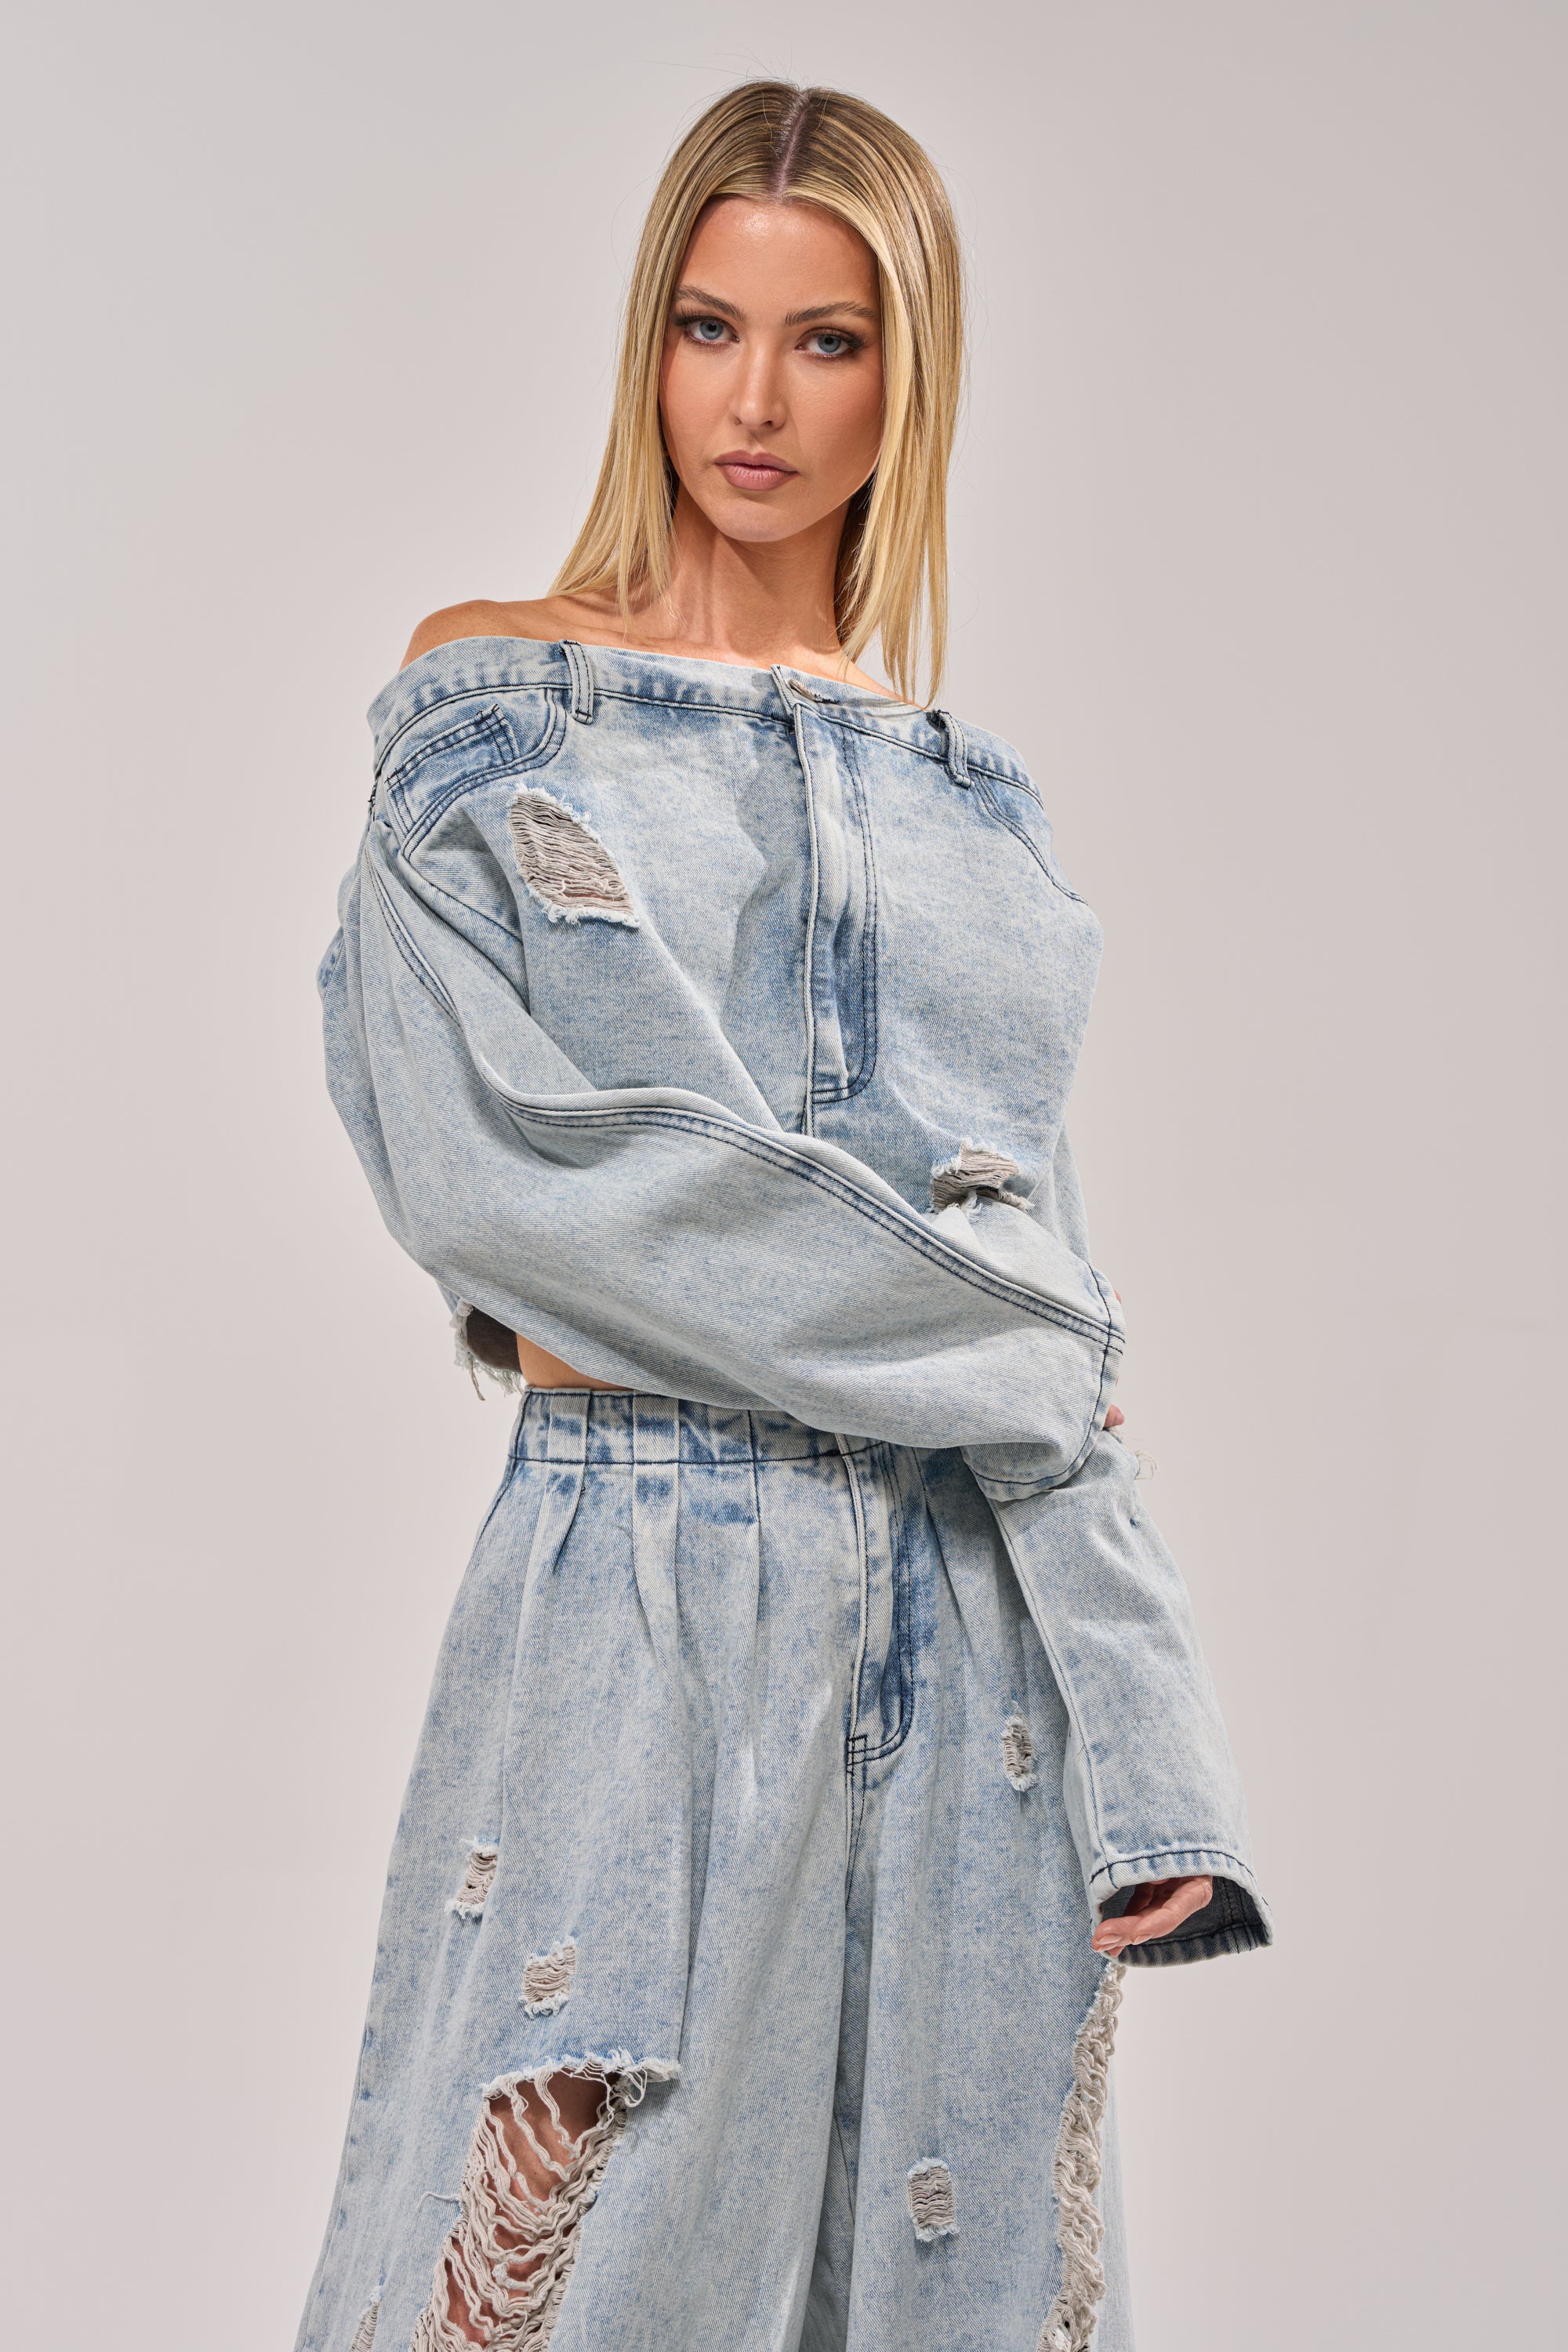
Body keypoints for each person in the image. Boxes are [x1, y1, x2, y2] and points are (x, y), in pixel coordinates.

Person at [298, 79, 1269, 2352]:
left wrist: (1163, 1769)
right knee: (575, 2277)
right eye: (710, 326)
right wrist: (1012, 1345)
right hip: (646, 1605)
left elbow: (1061, 1320)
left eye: (825, 340)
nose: (755, 400)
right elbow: (536, 1192)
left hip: (977, 1647)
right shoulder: (500, 716)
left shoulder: (972, 818)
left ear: (906, 371)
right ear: (647, 343)